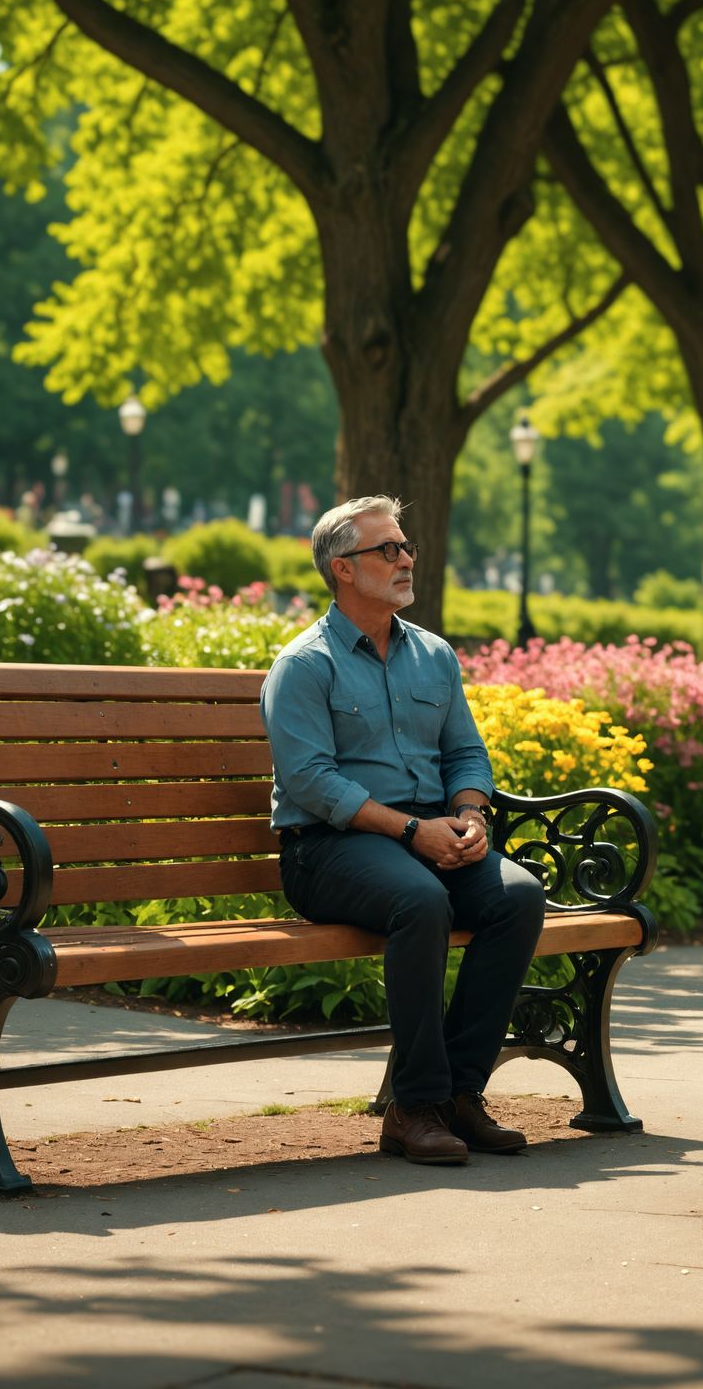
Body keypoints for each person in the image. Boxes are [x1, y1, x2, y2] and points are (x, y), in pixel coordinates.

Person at [260, 495, 546, 1166]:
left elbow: (466, 754)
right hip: (329, 850)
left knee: (518, 896)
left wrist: (470, 816)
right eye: (386, 549)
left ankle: (461, 1096)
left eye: (406, 545)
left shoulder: (434, 656)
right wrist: (413, 831)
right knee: (420, 902)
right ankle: (413, 1107)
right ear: (343, 570)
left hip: (427, 838)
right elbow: (312, 782)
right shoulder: (305, 664)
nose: (406, 558)